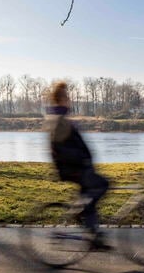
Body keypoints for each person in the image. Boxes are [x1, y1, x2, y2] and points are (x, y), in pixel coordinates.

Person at [45, 80, 111, 248]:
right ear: (60, 99)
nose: (69, 100)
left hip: (78, 168)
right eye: (67, 97)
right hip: (73, 169)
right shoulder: (58, 120)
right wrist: (82, 160)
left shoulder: (61, 118)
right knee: (102, 185)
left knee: (89, 195)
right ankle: (84, 216)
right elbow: (60, 149)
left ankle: (94, 237)